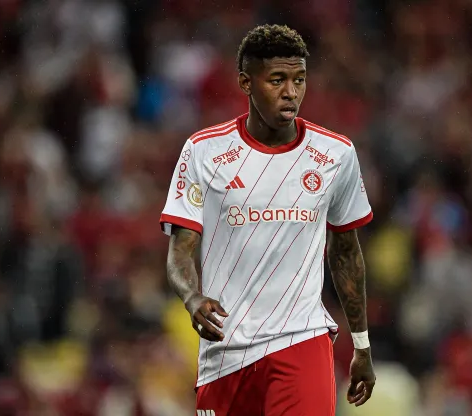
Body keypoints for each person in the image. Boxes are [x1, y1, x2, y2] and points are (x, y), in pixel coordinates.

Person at [160, 24, 376, 415]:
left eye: (299, 79)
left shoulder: (335, 155)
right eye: (277, 80)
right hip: (225, 353)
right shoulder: (204, 153)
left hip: (301, 342)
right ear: (246, 82)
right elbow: (180, 252)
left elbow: (346, 253)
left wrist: (361, 345)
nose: (291, 92)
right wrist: (192, 298)